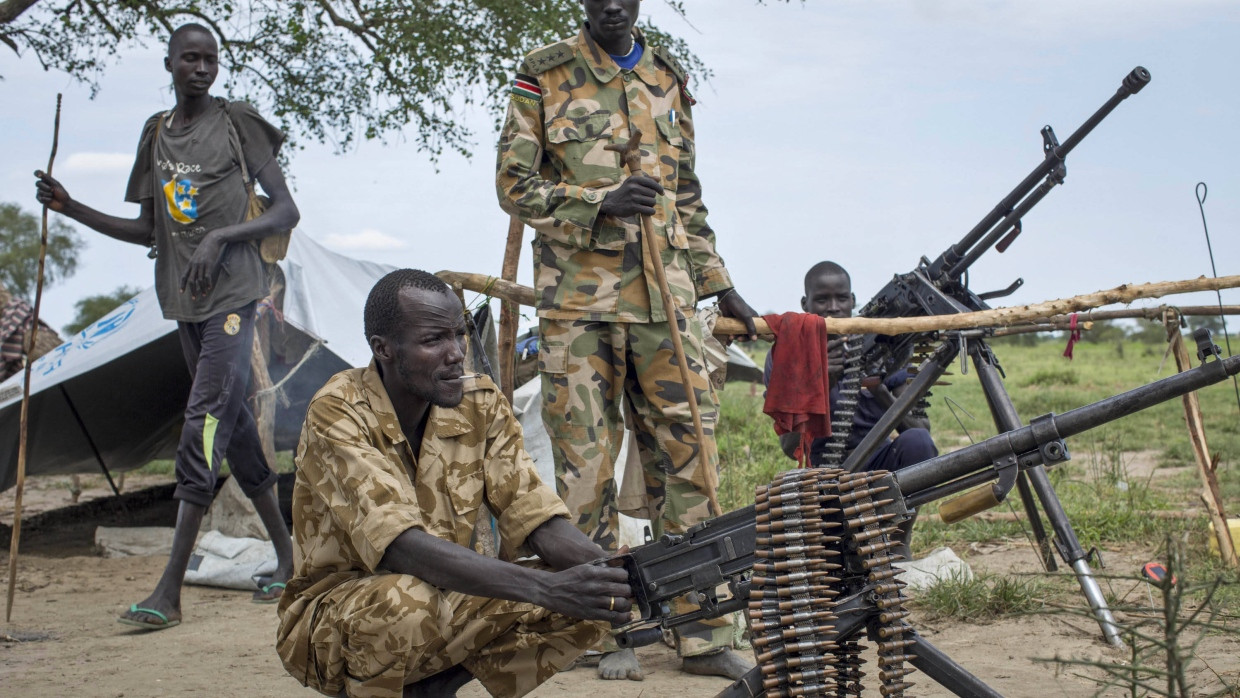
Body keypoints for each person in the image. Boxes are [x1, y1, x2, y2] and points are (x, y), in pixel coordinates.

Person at [495, 0, 759, 682]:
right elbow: (513, 185)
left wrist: (717, 282)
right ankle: (600, 628)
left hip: (665, 305)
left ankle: (701, 630)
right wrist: (598, 203)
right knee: (585, 473)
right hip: (578, 309)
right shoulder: (542, 74)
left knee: (690, 464)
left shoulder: (668, 77)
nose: (612, 2)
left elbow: (687, 197)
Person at [34, 23, 298, 627]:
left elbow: (287, 208)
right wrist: (70, 207)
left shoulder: (238, 123)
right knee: (232, 435)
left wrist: (220, 239)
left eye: (210, 60)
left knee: (201, 425)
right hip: (184, 306)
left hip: (234, 298)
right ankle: (287, 559)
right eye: (189, 59)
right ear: (170, 63)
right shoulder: (156, 134)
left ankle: (168, 591)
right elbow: (148, 230)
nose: (200, 69)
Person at [275, 269, 631, 698]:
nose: (456, 353)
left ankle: (434, 689)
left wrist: (613, 572)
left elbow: (534, 515)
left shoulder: (480, 404)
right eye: (433, 341)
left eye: (459, 334)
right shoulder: (338, 411)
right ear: (382, 349)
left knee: (589, 595)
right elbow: (401, 545)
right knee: (403, 601)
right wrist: (546, 588)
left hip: (447, 595)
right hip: (335, 619)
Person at [767, 261, 937, 552]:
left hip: (880, 463)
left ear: (853, 301)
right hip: (825, 470)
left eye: (841, 298)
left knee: (918, 443)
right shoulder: (787, 355)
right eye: (822, 299)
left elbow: (921, 430)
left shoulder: (883, 345)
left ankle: (897, 543)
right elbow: (789, 444)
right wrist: (821, 385)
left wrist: (879, 389)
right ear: (804, 303)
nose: (832, 308)